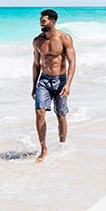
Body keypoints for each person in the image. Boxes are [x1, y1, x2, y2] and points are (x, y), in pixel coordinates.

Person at [31, 9, 76, 163]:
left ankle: (62, 145)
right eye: (40, 21)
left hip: (61, 80)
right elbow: (36, 64)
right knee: (39, 112)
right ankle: (43, 149)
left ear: (53, 22)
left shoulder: (65, 38)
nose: (40, 23)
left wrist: (68, 84)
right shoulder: (37, 41)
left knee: (60, 114)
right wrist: (33, 86)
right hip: (43, 81)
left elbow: (72, 62)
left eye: (43, 21)